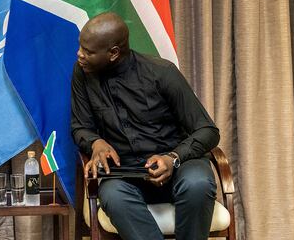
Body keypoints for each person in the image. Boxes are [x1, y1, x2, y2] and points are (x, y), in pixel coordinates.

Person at [71, 12, 219, 240]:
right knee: (113, 195)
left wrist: (173, 158)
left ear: (113, 53)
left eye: (88, 51)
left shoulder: (162, 72)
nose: (79, 55)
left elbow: (208, 131)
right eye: (81, 47)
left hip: (178, 165)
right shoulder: (82, 74)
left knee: (198, 183)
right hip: (127, 172)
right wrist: (95, 142)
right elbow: (80, 126)